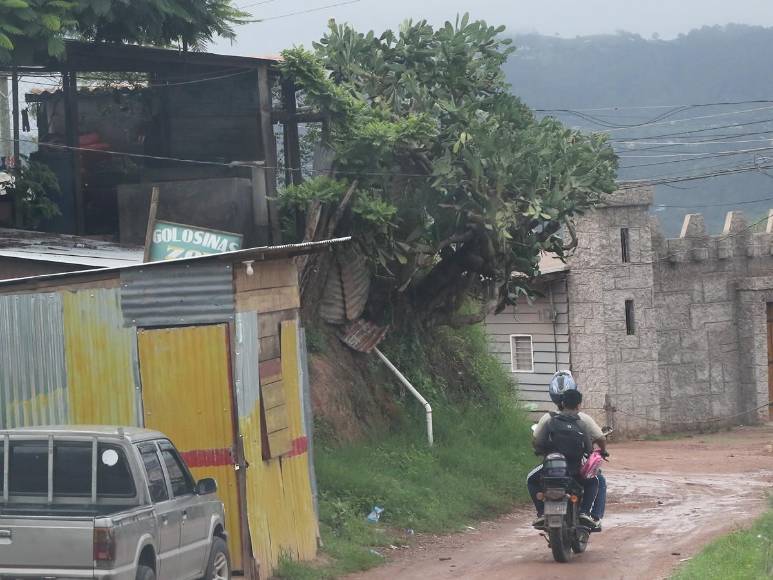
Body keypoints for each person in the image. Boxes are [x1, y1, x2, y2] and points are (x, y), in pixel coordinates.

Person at [527, 373, 608, 530]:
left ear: (561, 403)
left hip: (550, 469)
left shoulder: (548, 419)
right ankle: (586, 513)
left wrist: (540, 451)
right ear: (579, 405)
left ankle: (542, 513)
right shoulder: (583, 421)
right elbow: (590, 447)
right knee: (597, 481)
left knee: (530, 479)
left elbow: (537, 442)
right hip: (575, 469)